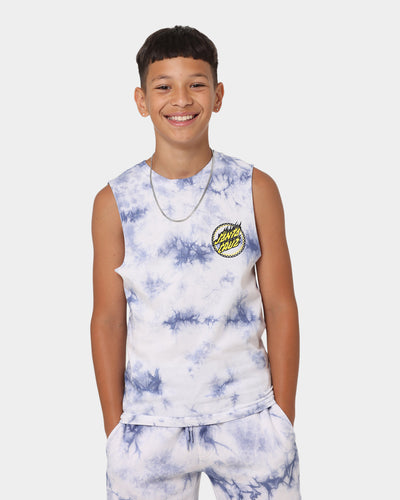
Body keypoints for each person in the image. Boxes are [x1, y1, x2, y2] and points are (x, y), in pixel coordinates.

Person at [91, 25, 301, 500]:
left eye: (197, 84)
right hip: (149, 427)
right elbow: (108, 319)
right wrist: (116, 429)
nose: (181, 99)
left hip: (249, 418)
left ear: (218, 95)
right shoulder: (115, 202)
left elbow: (281, 305)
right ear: (142, 100)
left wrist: (282, 418)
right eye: (164, 86)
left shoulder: (254, 189)